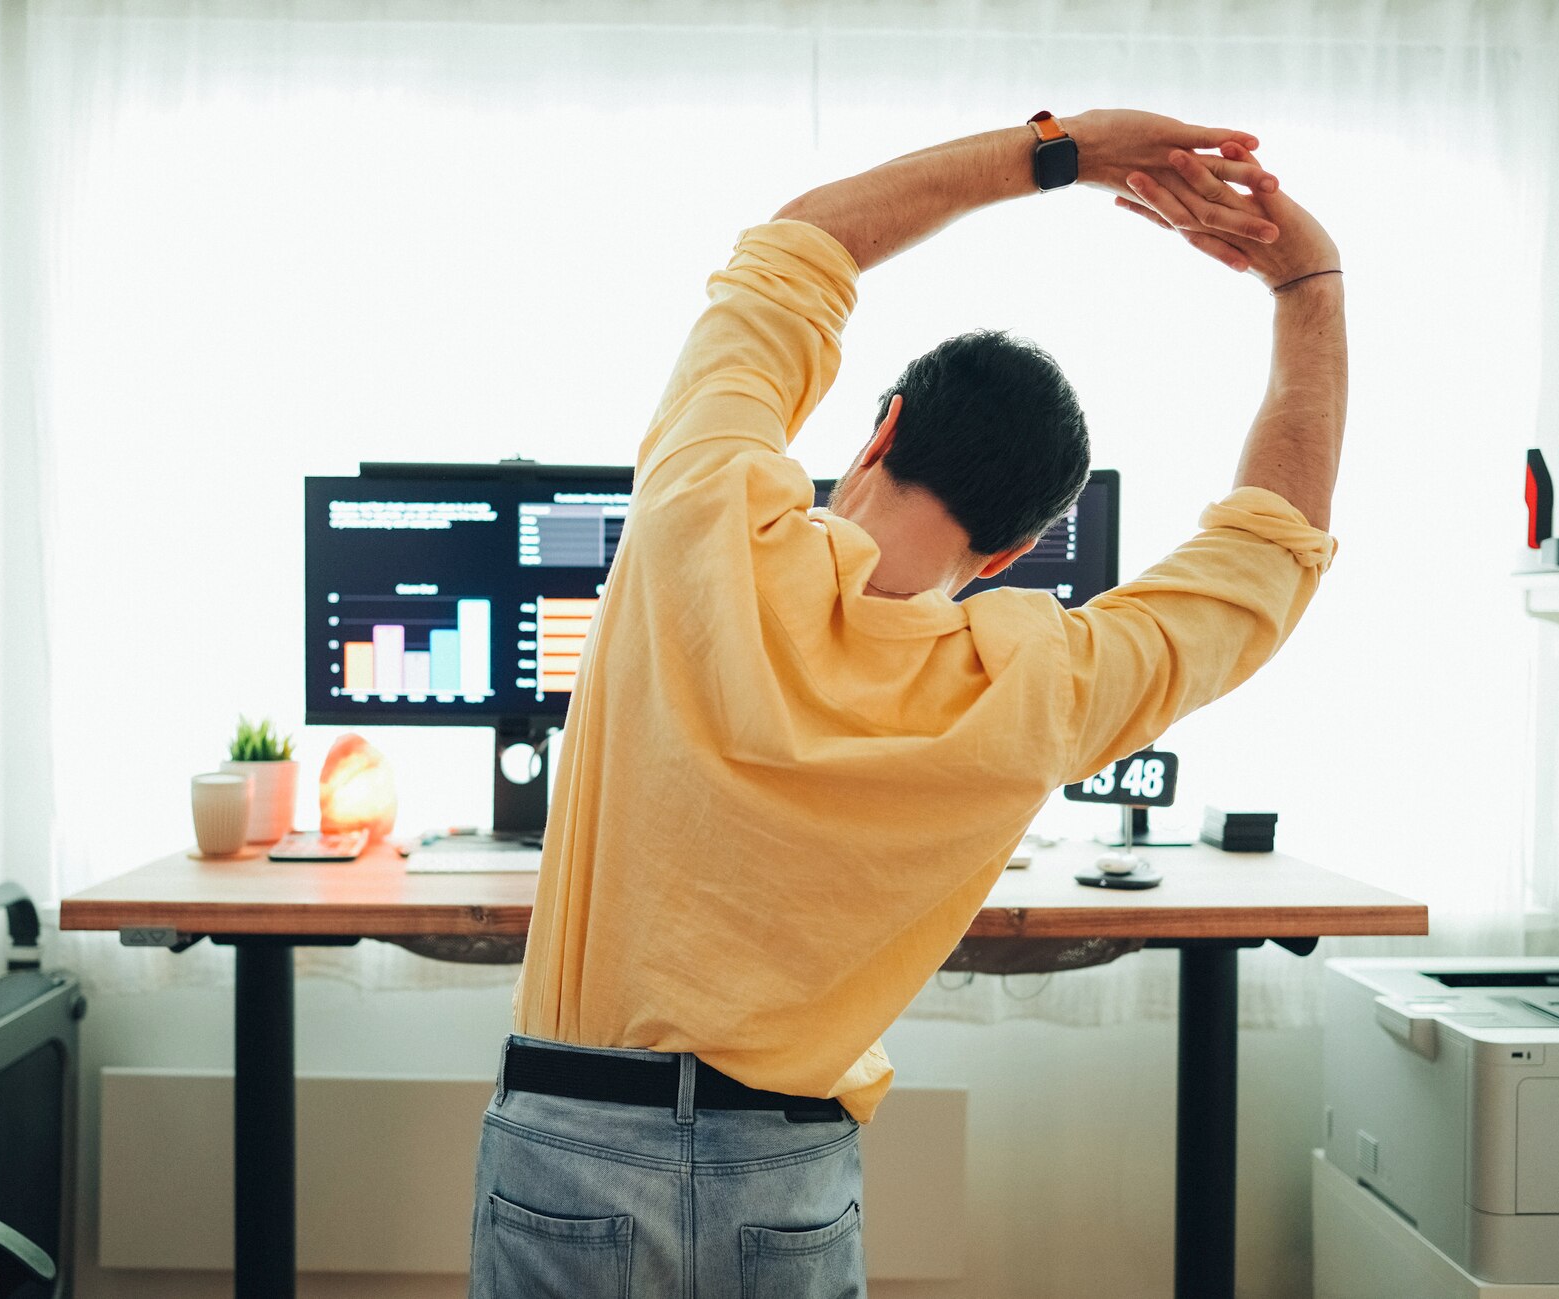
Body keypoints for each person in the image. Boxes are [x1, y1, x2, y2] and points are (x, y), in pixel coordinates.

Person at [467, 108, 1345, 1298]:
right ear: (1016, 549)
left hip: (572, 1144)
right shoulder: (1039, 684)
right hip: (782, 1174)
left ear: (880, 427)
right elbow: (1267, 554)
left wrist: (1066, 150)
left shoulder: (702, 515)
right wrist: (1304, 284)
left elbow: (800, 249)